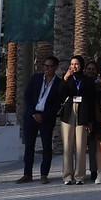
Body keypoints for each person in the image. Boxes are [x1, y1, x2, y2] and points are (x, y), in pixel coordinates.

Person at [18, 56, 63, 184]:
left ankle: (44, 174)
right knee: (29, 146)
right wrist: (33, 113)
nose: (47, 69)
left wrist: (43, 116)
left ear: (56, 67)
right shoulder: (36, 79)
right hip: (32, 116)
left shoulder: (59, 84)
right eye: (45, 66)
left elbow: (57, 105)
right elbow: (27, 96)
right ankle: (27, 174)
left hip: (46, 118)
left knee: (46, 146)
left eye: (50, 66)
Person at [59, 55, 96, 185]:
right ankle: (67, 176)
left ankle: (79, 176)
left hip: (83, 113)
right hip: (68, 113)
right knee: (68, 146)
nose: (74, 66)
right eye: (72, 64)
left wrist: (90, 120)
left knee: (80, 146)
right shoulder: (67, 78)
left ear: (81, 66)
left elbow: (92, 102)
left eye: (77, 64)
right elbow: (60, 94)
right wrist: (65, 78)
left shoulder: (88, 80)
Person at [84, 61, 100, 182]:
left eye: (93, 69)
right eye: (89, 69)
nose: (91, 71)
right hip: (83, 119)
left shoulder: (99, 85)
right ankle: (79, 171)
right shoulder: (82, 83)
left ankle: (94, 171)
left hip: (96, 120)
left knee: (94, 148)